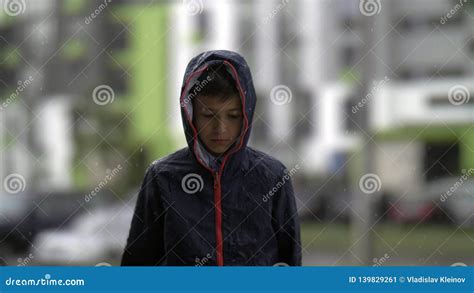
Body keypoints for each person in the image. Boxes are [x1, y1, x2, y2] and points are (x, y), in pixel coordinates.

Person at [121, 50, 301, 266]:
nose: (220, 128)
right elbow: (138, 263)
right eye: (208, 115)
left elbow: (290, 262)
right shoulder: (162, 177)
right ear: (190, 113)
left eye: (233, 116)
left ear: (247, 114)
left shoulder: (272, 176)